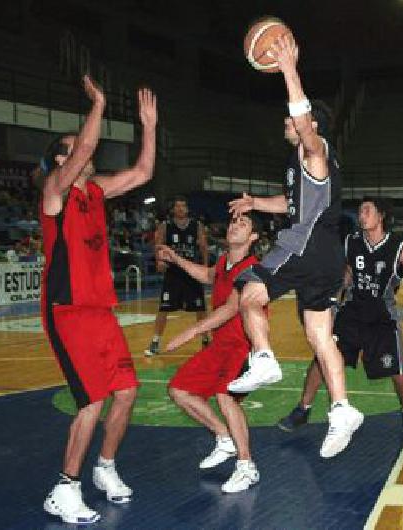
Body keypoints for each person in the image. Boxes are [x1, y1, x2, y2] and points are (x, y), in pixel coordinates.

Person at [227, 33, 362, 459]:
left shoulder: (315, 151)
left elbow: (305, 126)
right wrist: (254, 203)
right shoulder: (303, 169)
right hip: (325, 256)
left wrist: (289, 71)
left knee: (247, 291)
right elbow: (288, 203)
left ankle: (263, 357)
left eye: (291, 120)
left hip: (304, 246)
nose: (286, 123)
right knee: (320, 336)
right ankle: (342, 408)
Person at [39, 75, 158, 524]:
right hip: (67, 312)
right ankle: (64, 489)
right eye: (73, 148)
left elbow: (143, 173)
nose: (84, 151)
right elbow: (86, 150)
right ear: (60, 160)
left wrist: (148, 126)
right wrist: (100, 104)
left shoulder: (94, 192)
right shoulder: (55, 192)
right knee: (91, 401)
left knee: (126, 392)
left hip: (101, 311)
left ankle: (105, 469)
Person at [277, 197, 403, 434]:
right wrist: (332, 298)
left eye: (367, 210)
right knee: (321, 359)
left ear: (381, 216)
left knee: (397, 372)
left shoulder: (400, 247)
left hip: (381, 318)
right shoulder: (351, 242)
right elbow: (346, 275)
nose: (361, 215)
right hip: (350, 314)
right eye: (360, 211)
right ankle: (303, 409)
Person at [155, 211, 263, 493]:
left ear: (252, 237)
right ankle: (224, 437)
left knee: (225, 397)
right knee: (179, 390)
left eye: (243, 224)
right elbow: (207, 275)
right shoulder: (225, 261)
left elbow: (230, 308)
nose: (234, 226)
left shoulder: (253, 268)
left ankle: (246, 465)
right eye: (233, 221)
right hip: (220, 346)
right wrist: (175, 259)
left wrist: (191, 331)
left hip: (244, 346)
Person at [145, 196, 210, 356]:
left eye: (183, 206)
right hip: (173, 272)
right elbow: (159, 245)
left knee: (200, 308)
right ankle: (155, 342)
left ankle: (206, 340)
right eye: (178, 206)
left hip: (191, 271)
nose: (181, 209)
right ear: (173, 209)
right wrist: (159, 260)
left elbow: (203, 246)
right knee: (164, 308)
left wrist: (206, 266)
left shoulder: (197, 225)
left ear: (187, 209)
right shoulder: (165, 226)